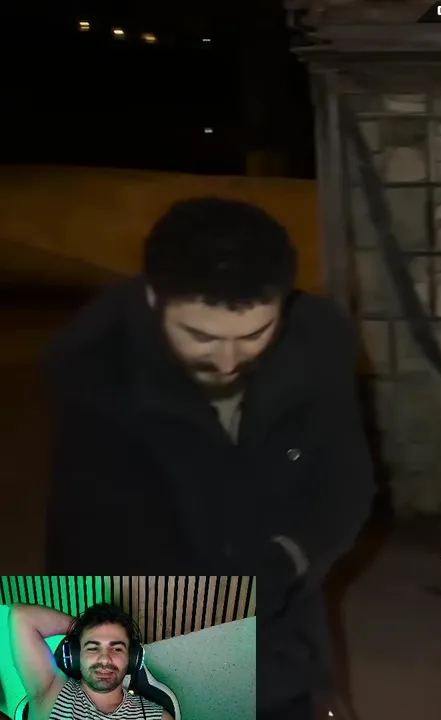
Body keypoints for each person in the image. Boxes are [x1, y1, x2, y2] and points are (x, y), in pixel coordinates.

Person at [42, 197, 377, 719]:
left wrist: (289, 558)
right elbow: (98, 542)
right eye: (201, 336)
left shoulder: (319, 340)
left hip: (285, 618)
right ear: (154, 299)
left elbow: (344, 479)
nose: (227, 360)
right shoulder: (93, 369)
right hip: (142, 623)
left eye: (254, 335)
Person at [7, 602, 173, 720]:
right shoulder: (50, 690)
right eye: (93, 648)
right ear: (76, 654)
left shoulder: (157, 718)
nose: (104, 659)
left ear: (133, 657)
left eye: (117, 649)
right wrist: (81, 628)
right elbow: (21, 616)